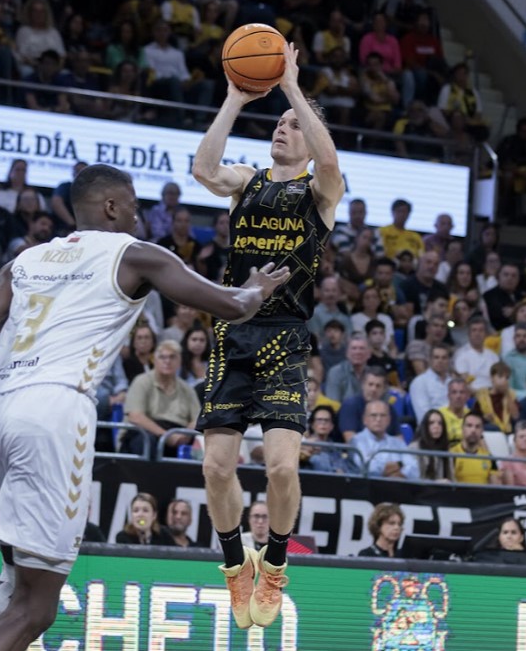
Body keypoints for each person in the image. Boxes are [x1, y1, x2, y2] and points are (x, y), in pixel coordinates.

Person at [0, 164, 288, 650]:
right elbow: (232, 306)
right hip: (54, 412)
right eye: (135, 208)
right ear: (112, 207)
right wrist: (257, 287)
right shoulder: (135, 253)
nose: (138, 218)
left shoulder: (26, 260)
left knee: (14, 581)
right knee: (37, 607)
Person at [190, 40, 345, 630]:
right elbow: (204, 171)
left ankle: (275, 562)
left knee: (281, 468)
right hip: (234, 329)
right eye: (278, 123)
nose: (282, 128)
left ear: (309, 136)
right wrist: (234, 99)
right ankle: (236, 565)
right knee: (216, 468)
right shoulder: (247, 181)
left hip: (285, 335)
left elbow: (329, 164)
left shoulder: (319, 192)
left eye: (293, 124)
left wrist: (291, 89)